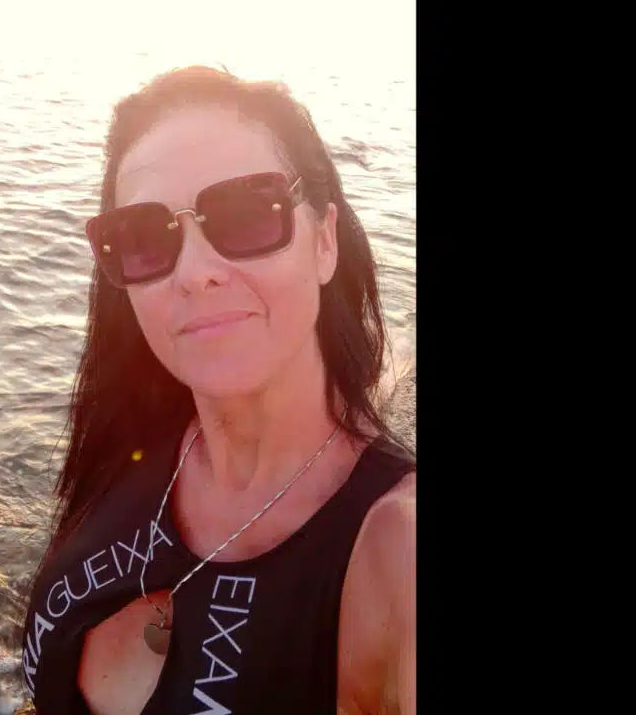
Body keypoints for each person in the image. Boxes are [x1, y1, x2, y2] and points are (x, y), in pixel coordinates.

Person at [21, 65, 415, 714]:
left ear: (323, 241)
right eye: (144, 238)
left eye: (247, 214)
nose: (195, 271)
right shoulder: (132, 440)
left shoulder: (396, 544)